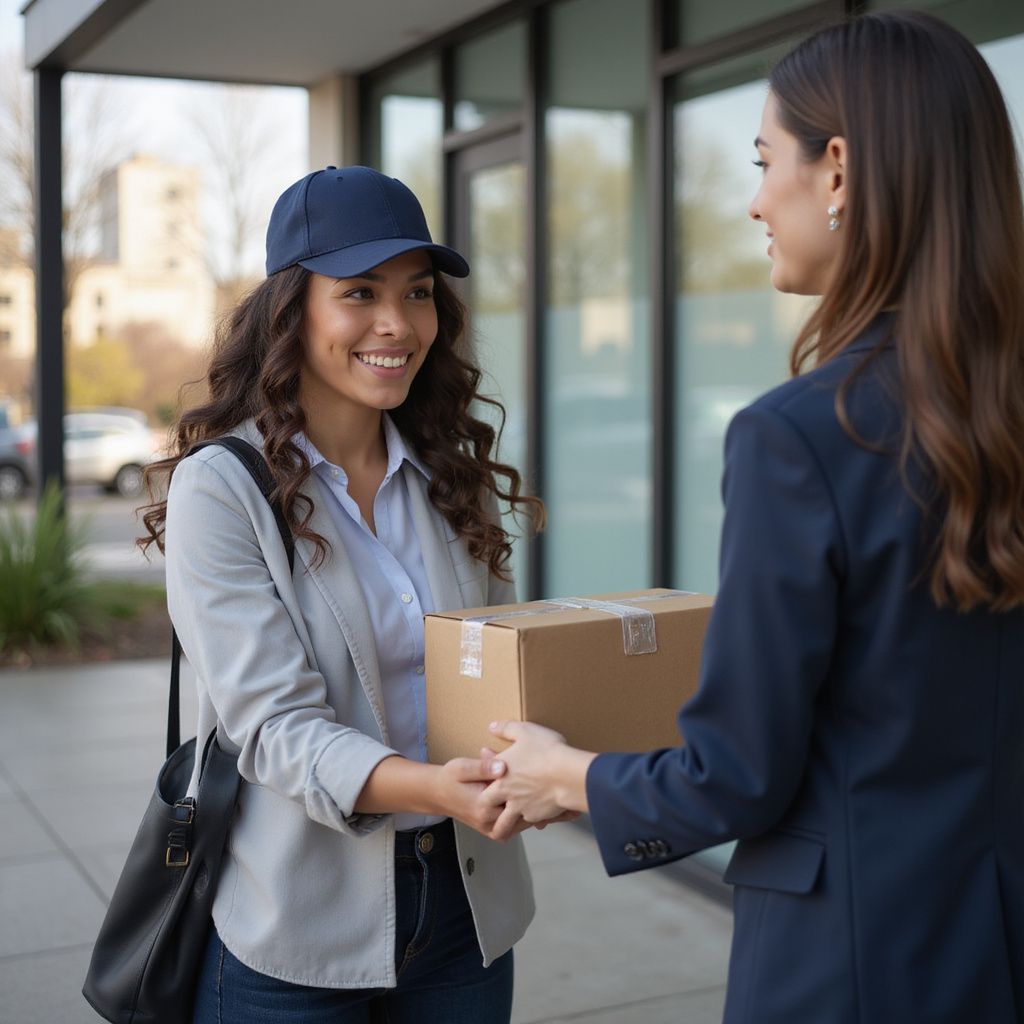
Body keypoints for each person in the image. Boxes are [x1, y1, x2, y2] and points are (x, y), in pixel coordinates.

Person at [481, 11, 1024, 1023]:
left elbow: (735, 774)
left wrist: (568, 778)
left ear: (839, 171)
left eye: (763, 158)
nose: (750, 201)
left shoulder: (799, 436)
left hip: (850, 967)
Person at [139, 165, 548, 1023]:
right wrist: (442, 786)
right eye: (360, 292)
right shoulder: (225, 488)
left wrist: (547, 754)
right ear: (293, 312)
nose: (397, 324)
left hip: (466, 908)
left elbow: (496, 665)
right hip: (298, 927)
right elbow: (277, 729)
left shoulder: (449, 474)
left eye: (419, 292)